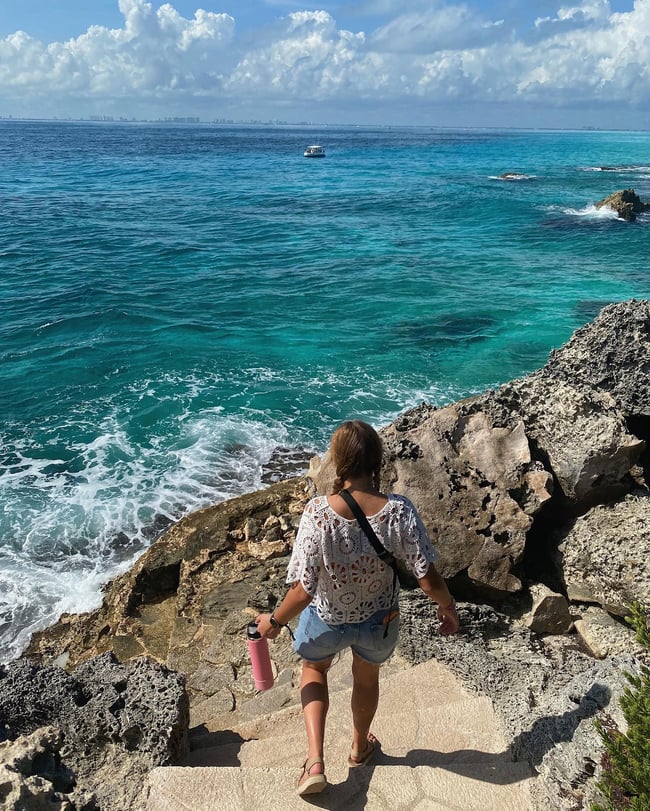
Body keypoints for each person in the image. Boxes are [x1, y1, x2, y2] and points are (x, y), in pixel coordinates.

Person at [255, 419, 459, 796]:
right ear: (377, 461)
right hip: (379, 619)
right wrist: (448, 607)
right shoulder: (399, 511)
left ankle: (315, 762)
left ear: (338, 461)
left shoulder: (318, 513)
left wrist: (274, 621)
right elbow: (426, 577)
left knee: (314, 670)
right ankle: (359, 746)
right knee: (366, 678)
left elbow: (303, 590)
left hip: (327, 619)